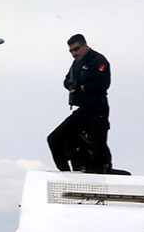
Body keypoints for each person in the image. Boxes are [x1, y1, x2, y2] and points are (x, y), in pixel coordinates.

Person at [47, 33, 112, 173]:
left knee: (98, 149)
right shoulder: (77, 63)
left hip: (97, 111)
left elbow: (103, 83)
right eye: (71, 51)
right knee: (54, 139)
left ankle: (103, 176)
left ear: (85, 46)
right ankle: (65, 174)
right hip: (83, 110)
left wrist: (82, 88)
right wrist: (72, 88)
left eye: (76, 49)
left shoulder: (98, 60)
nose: (74, 53)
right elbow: (67, 81)